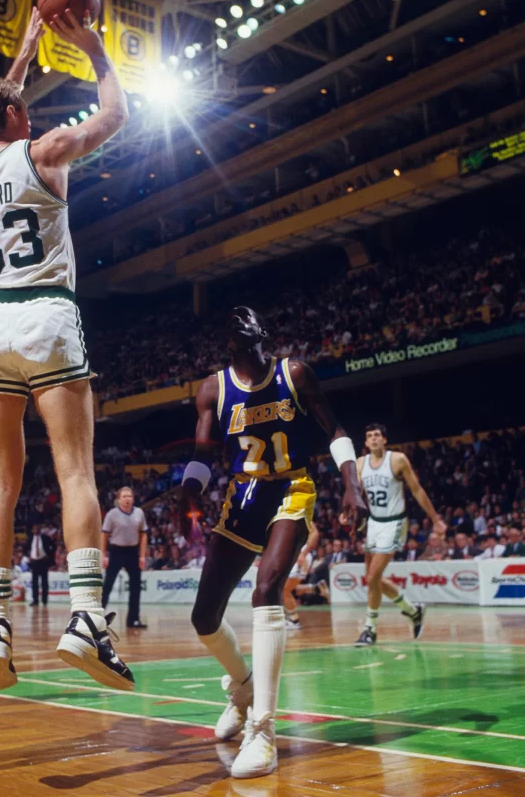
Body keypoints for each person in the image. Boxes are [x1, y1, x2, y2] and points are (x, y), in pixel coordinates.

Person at [0, 7, 133, 692]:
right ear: (19, 116)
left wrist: (22, 54)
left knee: (0, 481)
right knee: (75, 473)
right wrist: (94, 49)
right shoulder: (45, 149)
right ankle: (86, 618)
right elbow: (115, 115)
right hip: (46, 311)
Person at [180, 306, 366, 778]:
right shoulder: (212, 389)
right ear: (232, 346)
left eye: (259, 337)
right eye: (246, 340)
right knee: (203, 617)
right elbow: (203, 456)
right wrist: (189, 495)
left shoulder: (295, 373)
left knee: (266, 591)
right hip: (243, 497)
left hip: (291, 487)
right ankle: (242, 689)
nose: (256, 347)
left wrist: (351, 483)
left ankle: (263, 730)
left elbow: (335, 431)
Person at [355, 423, 446, 647]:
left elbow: (416, 490)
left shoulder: (397, 460)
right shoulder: (360, 463)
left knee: (372, 578)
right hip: (374, 523)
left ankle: (370, 629)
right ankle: (413, 610)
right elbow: (357, 495)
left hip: (394, 522)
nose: (374, 439)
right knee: (374, 579)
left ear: (385, 440)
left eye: (377, 435)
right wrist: (349, 515)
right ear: (365, 443)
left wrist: (435, 519)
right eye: (370, 436)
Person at [101, 487, 148, 629]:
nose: (127, 499)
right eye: (124, 496)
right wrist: (103, 555)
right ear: (118, 499)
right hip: (116, 551)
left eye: (130, 496)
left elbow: (143, 534)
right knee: (108, 584)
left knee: (136, 586)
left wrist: (142, 556)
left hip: (133, 552)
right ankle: (97, 618)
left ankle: (133, 619)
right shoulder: (112, 514)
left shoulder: (139, 512)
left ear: (133, 498)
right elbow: (104, 534)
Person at [28, 524, 56, 606]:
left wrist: (49, 554)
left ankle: (44, 600)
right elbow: (25, 548)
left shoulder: (45, 537)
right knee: (34, 582)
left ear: (40, 529)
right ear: (32, 530)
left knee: (44, 582)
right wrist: (28, 556)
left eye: (37, 528)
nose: (36, 530)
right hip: (34, 562)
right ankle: (35, 600)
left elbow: (53, 545)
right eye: (34, 529)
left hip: (43, 561)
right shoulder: (30, 538)